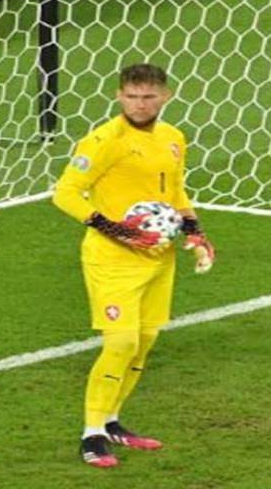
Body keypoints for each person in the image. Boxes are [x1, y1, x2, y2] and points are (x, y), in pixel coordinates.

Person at [53, 64, 217, 468]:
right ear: (118, 96)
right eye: (131, 96)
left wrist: (194, 233)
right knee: (121, 342)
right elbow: (66, 193)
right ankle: (91, 434)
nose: (139, 105)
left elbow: (175, 190)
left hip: (158, 259)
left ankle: (112, 421)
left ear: (166, 96)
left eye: (147, 97)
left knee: (143, 341)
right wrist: (114, 229)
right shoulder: (104, 140)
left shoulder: (173, 138)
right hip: (112, 259)